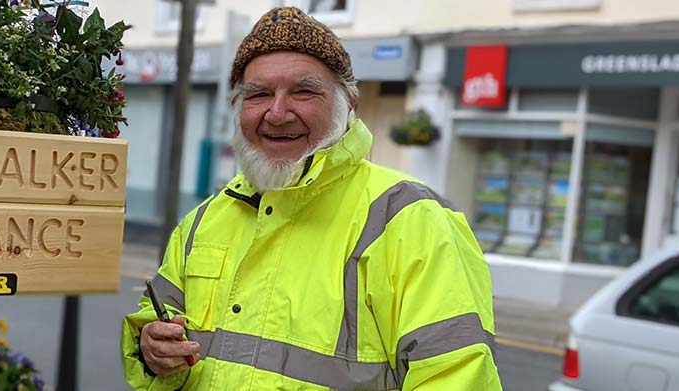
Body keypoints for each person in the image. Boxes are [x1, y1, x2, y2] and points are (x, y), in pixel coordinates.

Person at [121, 7, 501, 390]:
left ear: (348, 103)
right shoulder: (204, 219)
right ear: (238, 107)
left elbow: (458, 378)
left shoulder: (412, 220)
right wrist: (153, 349)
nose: (278, 112)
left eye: (303, 92)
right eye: (259, 94)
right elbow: (156, 323)